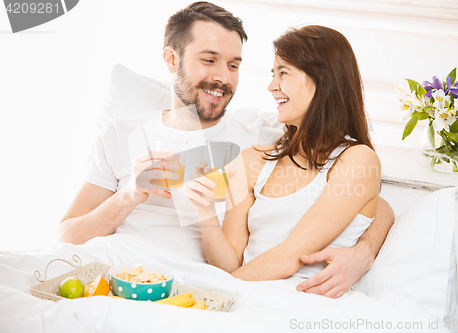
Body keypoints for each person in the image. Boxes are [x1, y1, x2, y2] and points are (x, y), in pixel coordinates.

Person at [56, 2, 394, 298]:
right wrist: (127, 196)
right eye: (209, 60)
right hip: (108, 272)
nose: (223, 77)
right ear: (172, 59)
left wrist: (364, 252)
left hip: (189, 285)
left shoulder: (257, 138)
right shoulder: (122, 133)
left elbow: (369, 197)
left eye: (233, 65)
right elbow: (66, 237)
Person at [186, 24, 382, 294]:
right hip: (241, 294)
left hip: (300, 302)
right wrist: (205, 214)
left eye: (283, 73)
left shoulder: (357, 160)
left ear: (322, 80)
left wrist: (206, 293)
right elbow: (230, 266)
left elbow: (290, 258)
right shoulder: (252, 160)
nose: (271, 86)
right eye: (272, 74)